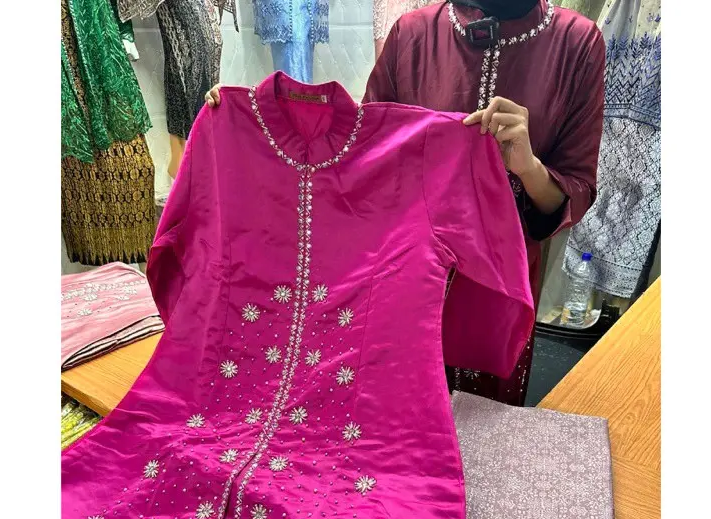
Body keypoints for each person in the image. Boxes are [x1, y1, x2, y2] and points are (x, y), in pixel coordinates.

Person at [205, 1, 604, 405]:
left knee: (487, 430)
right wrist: (249, 124)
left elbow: (577, 187)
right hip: (401, 286)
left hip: (498, 290)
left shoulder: (576, 44)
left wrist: (529, 168)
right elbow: (355, 154)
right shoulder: (414, 33)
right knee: (394, 422)